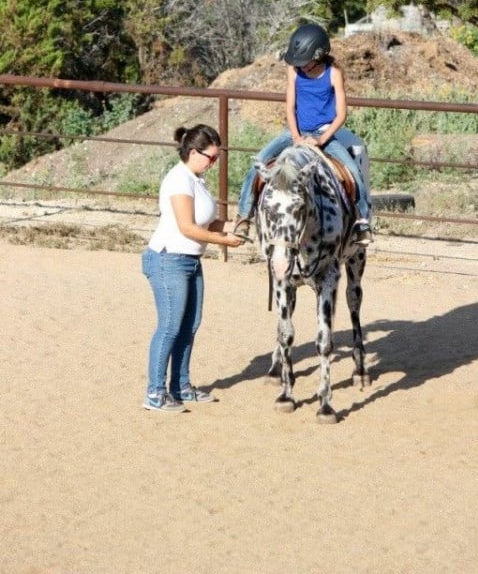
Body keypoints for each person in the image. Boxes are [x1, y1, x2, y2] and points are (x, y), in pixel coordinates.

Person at [235, 23, 373, 246]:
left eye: (305, 62)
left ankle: (362, 222)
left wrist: (322, 139)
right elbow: (290, 107)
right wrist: (297, 137)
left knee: (353, 171)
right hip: (295, 132)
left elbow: (341, 114)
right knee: (258, 162)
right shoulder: (293, 71)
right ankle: (244, 215)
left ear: (319, 55)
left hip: (322, 133)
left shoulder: (334, 73)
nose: (302, 66)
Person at [142, 123, 244, 413]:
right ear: (192, 151)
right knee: (170, 327)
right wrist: (224, 240)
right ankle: (155, 392)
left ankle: (180, 386)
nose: (213, 163)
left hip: (189, 260)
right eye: (210, 157)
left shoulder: (196, 179)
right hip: (169, 259)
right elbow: (187, 227)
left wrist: (234, 225)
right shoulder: (179, 180)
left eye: (217, 159)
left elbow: (204, 221)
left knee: (189, 326)